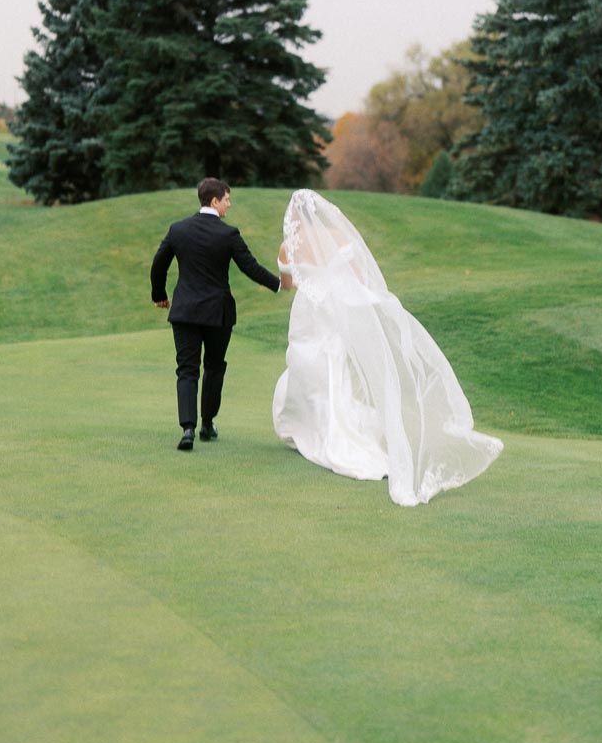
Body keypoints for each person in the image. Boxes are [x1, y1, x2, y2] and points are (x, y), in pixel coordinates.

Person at [272, 189, 503, 506]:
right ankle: (329, 431)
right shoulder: (337, 234)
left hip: (308, 312)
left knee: (307, 368)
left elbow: (287, 285)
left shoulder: (289, 247)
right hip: (333, 312)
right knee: (333, 369)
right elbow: (358, 274)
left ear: (293, 218)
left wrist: (304, 275)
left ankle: (316, 432)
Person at [151, 177, 281, 451]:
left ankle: (188, 428)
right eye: (226, 199)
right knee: (213, 366)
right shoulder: (228, 234)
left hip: (185, 311)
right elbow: (250, 267)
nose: (229, 204)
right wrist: (279, 284)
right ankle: (207, 424)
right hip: (217, 313)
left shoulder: (178, 230)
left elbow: (158, 264)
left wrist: (159, 295)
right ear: (214, 201)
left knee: (186, 369)